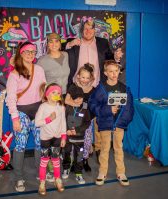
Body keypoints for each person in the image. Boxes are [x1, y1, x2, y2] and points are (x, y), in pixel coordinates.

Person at [63, 17, 124, 161]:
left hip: (97, 88)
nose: (88, 31)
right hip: (77, 88)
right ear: (81, 30)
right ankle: (76, 152)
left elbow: (110, 60)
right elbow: (56, 48)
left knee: (98, 119)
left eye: (91, 28)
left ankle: (98, 149)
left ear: (95, 30)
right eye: (85, 29)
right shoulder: (74, 42)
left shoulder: (102, 43)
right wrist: (70, 43)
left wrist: (116, 57)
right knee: (77, 119)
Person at [5, 41, 46, 192]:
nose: (30, 54)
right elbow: (11, 99)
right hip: (21, 112)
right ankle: (18, 177)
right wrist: (15, 118)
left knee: (39, 144)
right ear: (20, 53)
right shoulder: (14, 74)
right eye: (27, 51)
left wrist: (47, 109)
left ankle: (40, 173)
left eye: (33, 52)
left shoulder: (40, 69)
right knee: (20, 145)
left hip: (38, 111)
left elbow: (44, 90)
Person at [89, 60, 134, 186]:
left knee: (119, 148)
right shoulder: (100, 88)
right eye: (110, 71)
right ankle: (102, 173)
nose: (114, 74)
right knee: (104, 149)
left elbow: (130, 108)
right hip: (105, 123)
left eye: (116, 71)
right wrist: (108, 110)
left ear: (119, 72)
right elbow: (93, 105)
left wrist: (121, 121)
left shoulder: (124, 88)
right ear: (105, 73)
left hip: (118, 125)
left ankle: (121, 173)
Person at [62, 63, 95, 184]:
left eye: (87, 78)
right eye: (83, 77)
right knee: (68, 148)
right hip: (70, 122)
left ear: (91, 78)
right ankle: (68, 166)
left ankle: (81, 165)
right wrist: (76, 105)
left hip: (84, 122)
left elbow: (94, 107)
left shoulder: (93, 90)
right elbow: (66, 100)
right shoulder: (73, 87)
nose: (85, 80)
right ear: (78, 77)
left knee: (84, 145)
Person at [35, 83, 66, 195]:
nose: (56, 95)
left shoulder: (61, 107)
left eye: (58, 93)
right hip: (45, 139)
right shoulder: (43, 107)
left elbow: (63, 123)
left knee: (56, 160)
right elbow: (37, 123)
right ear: (47, 95)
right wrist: (48, 119)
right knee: (44, 161)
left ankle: (57, 179)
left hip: (57, 138)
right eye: (53, 92)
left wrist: (63, 136)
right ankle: (42, 183)